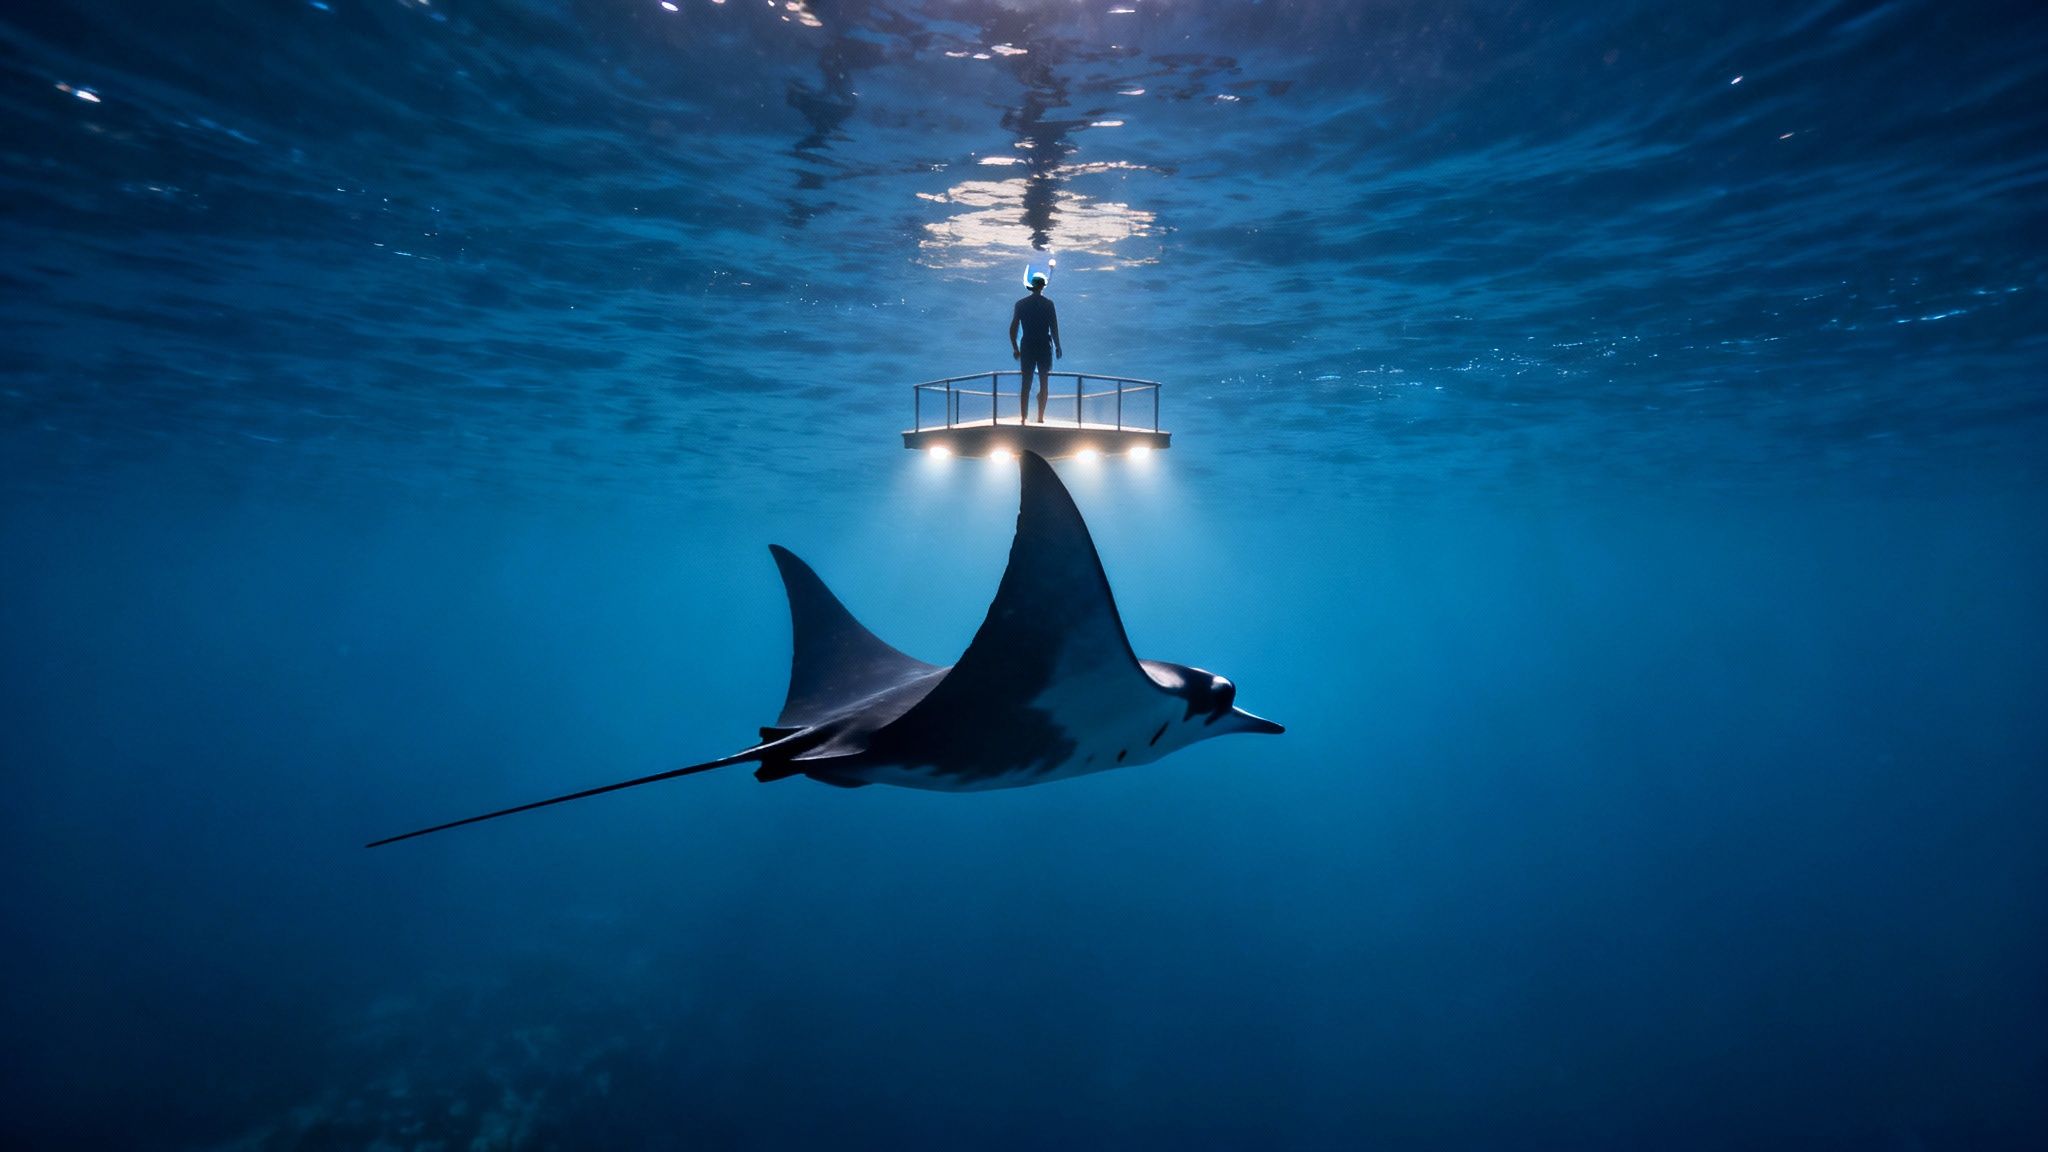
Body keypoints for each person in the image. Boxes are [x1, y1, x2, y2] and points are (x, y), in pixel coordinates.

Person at [1008, 272, 1062, 423]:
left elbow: (1013, 328)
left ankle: (1023, 418)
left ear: (1031, 287)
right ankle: (1040, 418)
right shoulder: (1048, 304)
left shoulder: (1021, 304)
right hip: (1044, 345)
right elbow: (1054, 327)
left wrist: (1015, 348)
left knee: (1026, 383)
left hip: (1028, 345)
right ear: (1042, 287)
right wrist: (1057, 346)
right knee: (1044, 382)